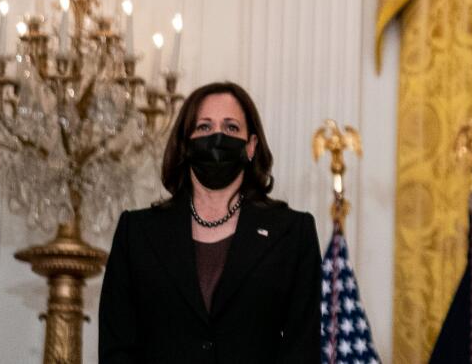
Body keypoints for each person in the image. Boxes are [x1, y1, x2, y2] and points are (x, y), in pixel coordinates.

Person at [98, 81, 321, 363]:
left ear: (251, 146)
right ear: (186, 144)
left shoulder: (292, 233)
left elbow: (302, 348)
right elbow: (117, 346)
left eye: (231, 128)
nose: (218, 137)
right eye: (204, 127)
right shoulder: (137, 233)